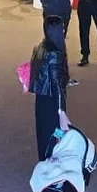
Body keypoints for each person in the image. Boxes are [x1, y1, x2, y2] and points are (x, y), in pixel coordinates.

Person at [29, 15, 70, 161]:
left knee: (43, 132)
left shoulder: (40, 46)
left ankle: (44, 162)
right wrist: (61, 112)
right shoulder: (55, 53)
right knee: (54, 133)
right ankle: (51, 167)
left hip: (42, 96)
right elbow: (57, 84)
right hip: (52, 100)